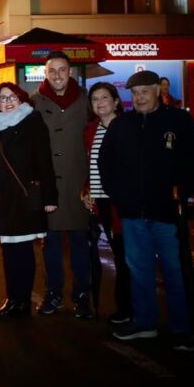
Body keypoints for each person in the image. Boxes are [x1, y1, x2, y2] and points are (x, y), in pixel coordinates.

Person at [100, 70, 194, 351]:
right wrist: (118, 195)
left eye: (145, 92)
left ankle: (183, 330)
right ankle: (144, 324)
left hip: (167, 213)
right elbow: (106, 163)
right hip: (133, 213)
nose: (139, 98)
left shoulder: (178, 121)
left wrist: (182, 190)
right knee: (139, 271)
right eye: (134, 94)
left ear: (158, 91)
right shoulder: (122, 125)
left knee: (175, 272)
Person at [0, 83, 58, 318]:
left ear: (21, 99)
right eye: (1, 99)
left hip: (22, 196)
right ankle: (13, 299)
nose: (6, 103)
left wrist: (50, 196)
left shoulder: (32, 122)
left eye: (11, 98)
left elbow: (44, 161)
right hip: (1, 195)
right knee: (8, 249)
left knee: (22, 250)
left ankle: (22, 302)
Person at [31, 52, 92, 318]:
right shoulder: (34, 102)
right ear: (45, 73)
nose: (57, 75)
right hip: (49, 188)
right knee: (51, 247)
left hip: (80, 186)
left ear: (70, 72)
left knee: (81, 245)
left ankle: (82, 297)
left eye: (62, 69)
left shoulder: (86, 100)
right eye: (52, 70)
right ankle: (53, 295)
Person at [84, 82, 132, 325]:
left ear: (116, 101)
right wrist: (87, 191)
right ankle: (123, 307)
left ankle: (127, 308)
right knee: (117, 252)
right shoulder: (91, 130)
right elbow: (87, 166)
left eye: (105, 97)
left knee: (125, 256)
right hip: (100, 201)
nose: (100, 102)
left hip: (121, 202)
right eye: (95, 99)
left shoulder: (126, 128)